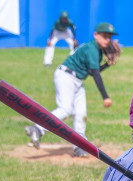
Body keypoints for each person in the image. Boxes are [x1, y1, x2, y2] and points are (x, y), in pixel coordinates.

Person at [25, 22, 122, 157]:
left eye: (109, 37)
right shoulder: (92, 49)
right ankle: (37, 128)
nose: (108, 39)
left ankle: (80, 146)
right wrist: (105, 96)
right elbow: (95, 74)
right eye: (105, 36)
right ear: (95, 35)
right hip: (66, 76)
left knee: (81, 113)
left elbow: (92, 70)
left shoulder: (97, 50)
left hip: (76, 79)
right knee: (65, 109)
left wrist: (107, 64)